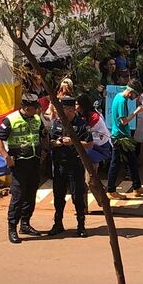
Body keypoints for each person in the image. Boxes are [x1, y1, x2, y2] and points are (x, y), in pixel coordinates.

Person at [0, 93, 46, 244]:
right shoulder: (11, 119)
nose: (36, 111)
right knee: (18, 196)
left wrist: (45, 150)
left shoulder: (36, 118)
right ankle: (12, 228)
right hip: (19, 164)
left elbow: (43, 134)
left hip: (34, 163)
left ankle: (25, 224)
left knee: (30, 194)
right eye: (34, 108)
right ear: (26, 107)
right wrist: (6, 157)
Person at [47, 96, 93, 238]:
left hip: (75, 165)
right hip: (59, 164)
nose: (63, 112)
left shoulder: (81, 124)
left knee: (77, 196)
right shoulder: (56, 123)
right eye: (61, 109)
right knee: (58, 196)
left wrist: (73, 142)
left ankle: (81, 225)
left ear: (72, 110)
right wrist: (57, 143)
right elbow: (50, 142)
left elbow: (89, 144)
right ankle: (58, 223)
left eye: (66, 109)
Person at [106, 80, 143, 199]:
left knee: (132, 162)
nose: (136, 98)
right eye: (136, 95)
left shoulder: (119, 97)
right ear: (131, 92)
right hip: (120, 137)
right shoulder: (121, 101)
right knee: (116, 164)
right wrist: (136, 112)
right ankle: (111, 190)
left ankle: (137, 187)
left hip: (123, 136)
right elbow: (124, 121)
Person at [76, 93, 112, 166]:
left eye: (77, 104)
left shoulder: (93, 117)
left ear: (82, 105)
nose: (75, 106)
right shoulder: (82, 115)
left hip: (101, 148)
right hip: (93, 145)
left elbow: (82, 132)